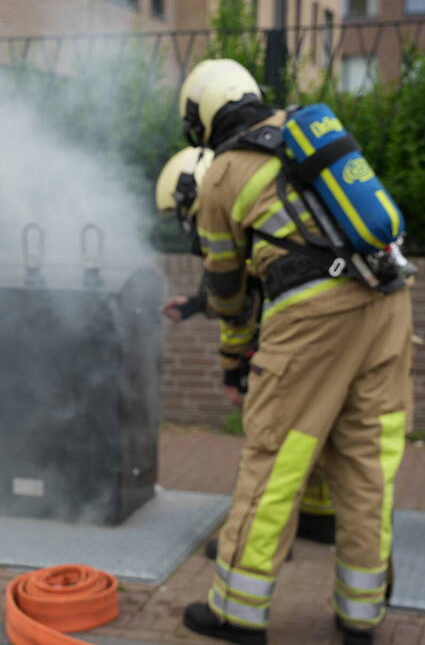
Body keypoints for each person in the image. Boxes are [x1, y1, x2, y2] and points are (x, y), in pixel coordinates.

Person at [174, 59, 414, 645]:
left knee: (277, 455)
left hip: (313, 316)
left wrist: (234, 360)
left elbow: (229, 289)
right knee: (365, 461)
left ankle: (237, 610)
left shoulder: (222, 174)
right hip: (389, 298)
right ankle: (362, 613)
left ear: (203, 116)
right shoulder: (301, 134)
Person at [156, 148, 337, 561]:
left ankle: (258, 537)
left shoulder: (230, 222)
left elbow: (238, 308)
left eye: (186, 212)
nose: (189, 224)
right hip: (330, 323)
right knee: (314, 426)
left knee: (269, 436)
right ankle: (319, 517)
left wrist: (232, 373)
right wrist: (194, 304)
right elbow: (241, 287)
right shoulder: (273, 207)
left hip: (289, 337)